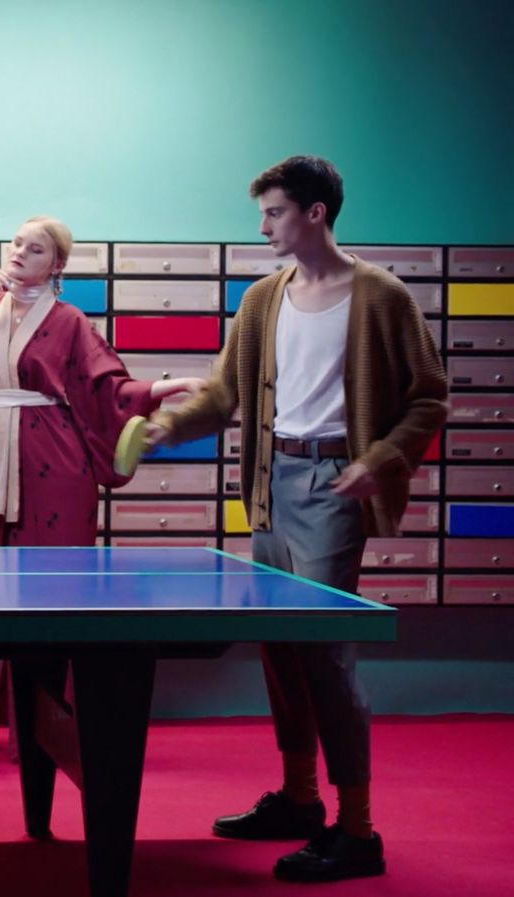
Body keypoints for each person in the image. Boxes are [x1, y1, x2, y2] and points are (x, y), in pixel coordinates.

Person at [148, 156, 447, 882]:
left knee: (325, 654)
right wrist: (167, 425)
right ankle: (300, 798)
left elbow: (429, 397)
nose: (262, 225)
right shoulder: (261, 299)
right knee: (281, 651)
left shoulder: (381, 295)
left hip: (334, 484)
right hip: (270, 481)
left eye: (274, 211)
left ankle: (359, 828)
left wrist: (383, 457)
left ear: (316, 213)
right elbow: (224, 394)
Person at [0, 217, 204, 749]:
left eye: (34, 249)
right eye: (15, 243)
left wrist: (167, 385)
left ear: (56, 265)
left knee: (53, 591)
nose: (19, 253)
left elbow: (109, 387)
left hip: (57, 460)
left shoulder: (70, 320)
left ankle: (47, 726)